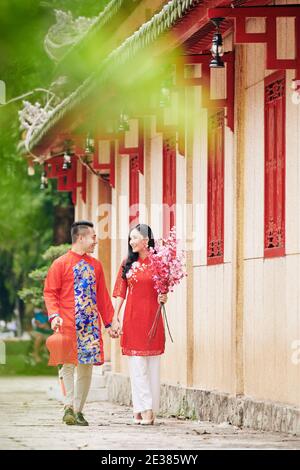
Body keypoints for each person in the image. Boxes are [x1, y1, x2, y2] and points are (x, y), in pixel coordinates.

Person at [44, 220, 116, 426]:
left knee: (86, 368)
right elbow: (50, 293)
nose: (96, 241)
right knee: (67, 365)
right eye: (93, 237)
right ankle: (68, 407)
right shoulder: (60, 264)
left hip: (90, 328)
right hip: (67, 323)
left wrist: (110, 323)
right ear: (81, 238)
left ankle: (78, 410)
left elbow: (102, 297)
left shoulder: (96, 266)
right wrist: (54, 315)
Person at [111, 224, 168, 425]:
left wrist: (164, 295)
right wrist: (115, 317)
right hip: (133, 319)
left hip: (152, 319)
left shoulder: (159, 263)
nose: (131, 242)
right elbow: (120, 292)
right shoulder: (127, 263)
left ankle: (141, 407)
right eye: (130, 239)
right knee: (137, 366)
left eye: (134, 238)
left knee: (152, 366)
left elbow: (164, 287)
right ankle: (145, 409)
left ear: (146, 240)